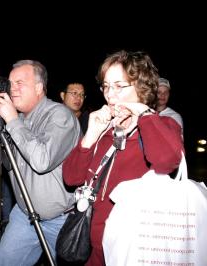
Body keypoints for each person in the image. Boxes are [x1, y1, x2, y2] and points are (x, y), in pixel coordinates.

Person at [62, 50, 183, 266]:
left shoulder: (163, 126)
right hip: (93, 249)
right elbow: (71, 178)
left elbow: (166, 160)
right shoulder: (105, 131)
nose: (110, 94)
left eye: (119, 86)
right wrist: (90, 136)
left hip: (134, 251)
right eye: (106, 86)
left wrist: (144, 113)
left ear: (141, 87)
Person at [0, 59, 81, 265]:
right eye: (10, 83)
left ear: (39, 88)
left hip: (59, 220)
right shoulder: (20, 119)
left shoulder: (60, 116)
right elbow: (6, 160)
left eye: (19, 83)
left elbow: (42, 161)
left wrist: (12, 121)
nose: (11, 89)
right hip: (24, 215)